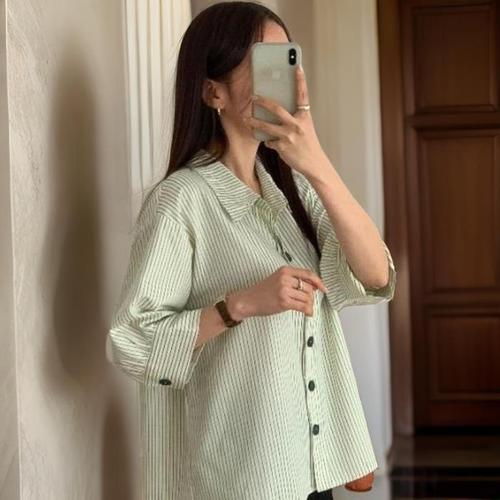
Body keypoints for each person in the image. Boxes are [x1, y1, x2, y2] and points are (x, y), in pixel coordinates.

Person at [106, 2, 396, 499]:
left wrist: (316, 162)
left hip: (307, 470)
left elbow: (375, 276)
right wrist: (238, 304)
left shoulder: (293, 191)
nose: (284, 78)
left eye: (287, 59)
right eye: (264, 62)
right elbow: (131, 340)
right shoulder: (181, 201)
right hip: (242, 477)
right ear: (212, 91)